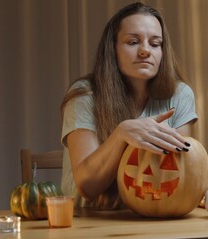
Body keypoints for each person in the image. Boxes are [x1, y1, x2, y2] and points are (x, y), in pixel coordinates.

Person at [60, 2, 198, 210]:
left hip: (154, 217)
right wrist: (122, 133)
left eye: (155, 43)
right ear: (112, 48)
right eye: (133, 42)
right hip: (90, 219)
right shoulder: (84, 96)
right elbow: (87, 187)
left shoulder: (180, 95)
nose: (145, 51)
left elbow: (181, 174)